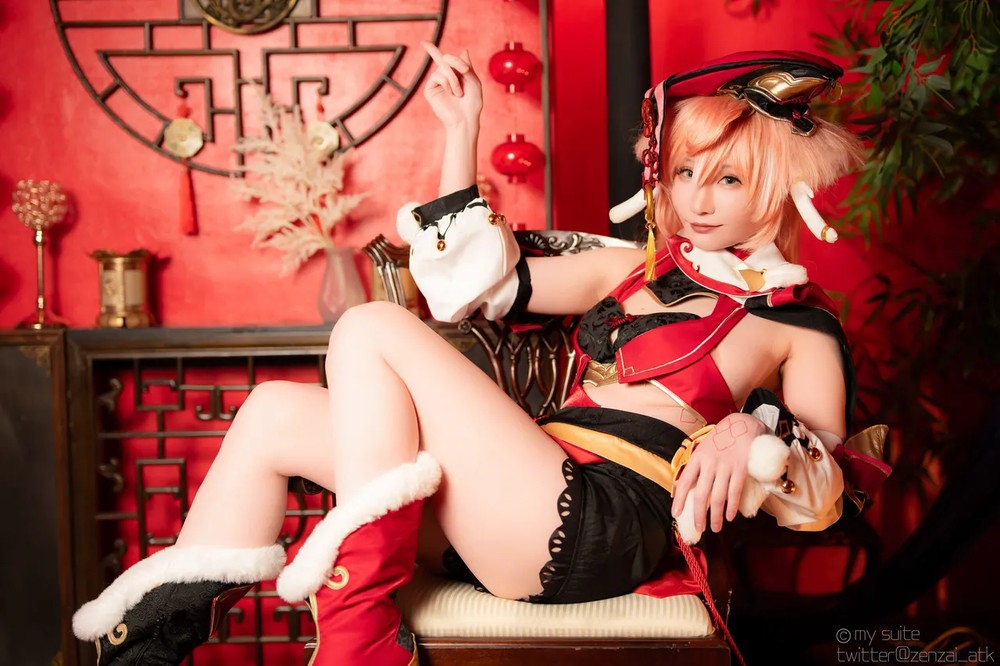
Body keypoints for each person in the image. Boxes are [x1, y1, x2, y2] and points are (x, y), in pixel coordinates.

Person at [72, 45, 887, 666]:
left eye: (729, 179)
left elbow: (831, 497)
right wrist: (461, 130)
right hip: (515, 501)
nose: (697, 199)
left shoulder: (799, 324)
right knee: (272, 413)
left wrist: (752, 433)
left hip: (604, 521)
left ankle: (358, 642)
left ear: (777, 183)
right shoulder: (629, 268)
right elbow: (470, 286)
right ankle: (147, 650)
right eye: (684, 173)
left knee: (370, 328)